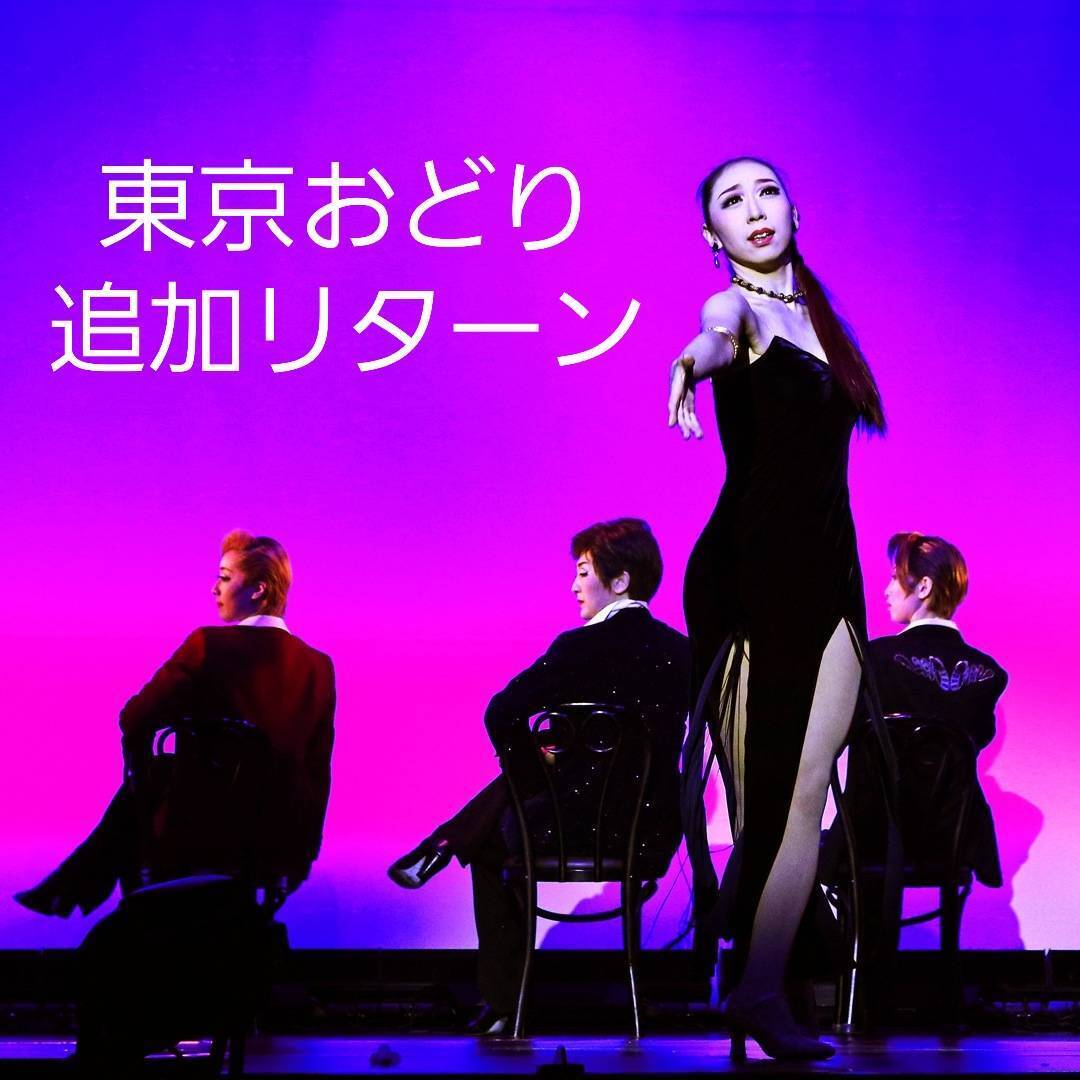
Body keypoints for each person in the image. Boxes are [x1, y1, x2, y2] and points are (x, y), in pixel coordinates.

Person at [668, 157, 886, 1060]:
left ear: (797, 209)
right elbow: (716, 334)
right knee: (760, 802)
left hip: (831, 571)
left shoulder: (821, 320)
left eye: (766, 193)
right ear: (710, 236)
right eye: (731, 201)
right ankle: (739, 974)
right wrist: (690, 361)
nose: (754, 210)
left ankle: (760, 990)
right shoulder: (737, 310)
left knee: (805, 794)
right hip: (748, 574)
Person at [388, 519, 689, 1035]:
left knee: (489, 842)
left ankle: (505, 1002)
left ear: (619, 581)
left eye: (583, 572)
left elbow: (501, 711)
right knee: (526, 789)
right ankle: (452, 838)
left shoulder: (576, 648)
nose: (574, 586)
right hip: (651, 829)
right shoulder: (682, 651)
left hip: (571, 828)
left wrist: (533, 777)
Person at [15, 530, 336, 916]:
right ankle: (76, 884)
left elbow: (134, 717)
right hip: (279, 838)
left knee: (156, 777)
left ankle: (79, 884)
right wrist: (303, 854)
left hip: (200, 827)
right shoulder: (319, 667)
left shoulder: (208, 645)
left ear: (258, 589)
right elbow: (318, 769)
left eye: (224, 577)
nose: (214, 588)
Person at [855, 532, 1007, 885]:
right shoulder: (989, 674)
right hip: (951, 836)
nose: (886, 591)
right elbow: (977, 740)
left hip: (872, 831)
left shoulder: (873, 659)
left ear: (923, 586)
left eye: (894, 578)